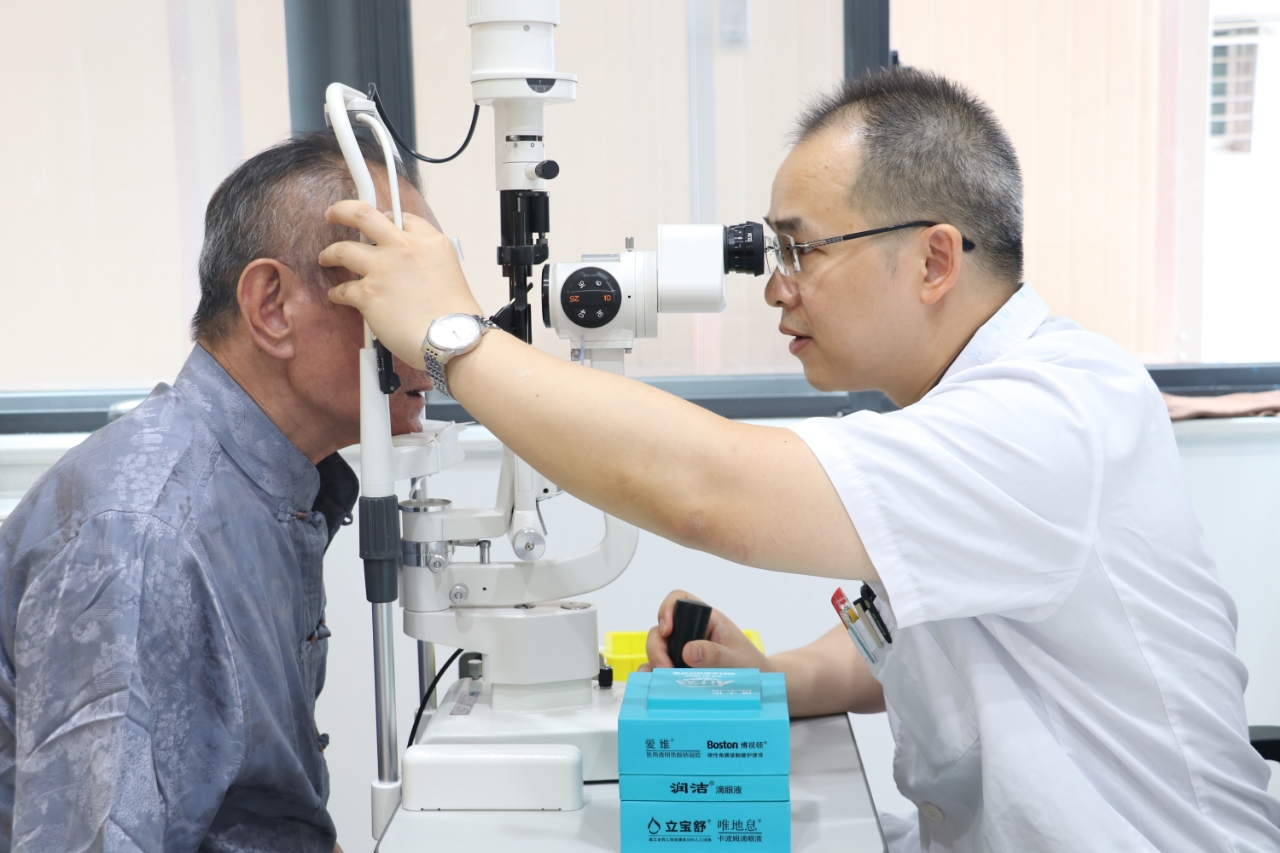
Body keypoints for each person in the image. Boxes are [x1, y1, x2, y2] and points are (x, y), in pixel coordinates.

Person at [318, 68, 1280, 851]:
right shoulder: (960, 412)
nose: (776, 289)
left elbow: (711, 491)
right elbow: (901, 638)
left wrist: (455, 334)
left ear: (935, 260)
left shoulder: (1048, 417)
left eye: (801, 251)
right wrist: (769, 675)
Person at [0, 133, 434, 850]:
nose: (432, 336)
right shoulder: (147, 537)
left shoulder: (274, 490)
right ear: (273, 306)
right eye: (400, 293)